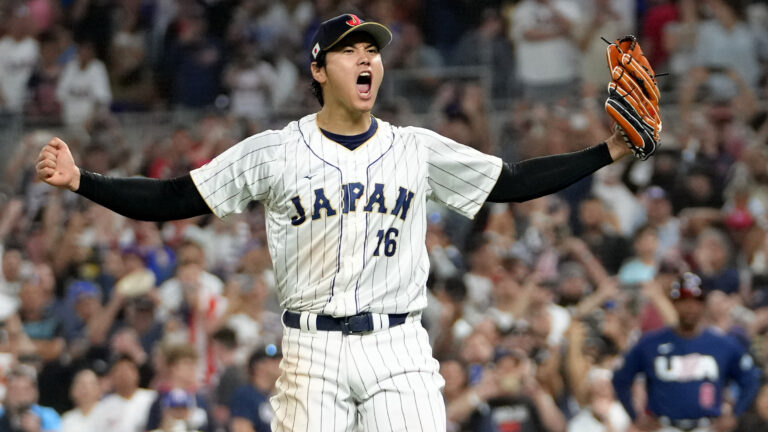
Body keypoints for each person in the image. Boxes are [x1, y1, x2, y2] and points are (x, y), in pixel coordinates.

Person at [37, 13, 637, 431]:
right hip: (311, 348)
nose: (366, 58)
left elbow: (510, 181)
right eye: (350, 50)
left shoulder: (414, 147)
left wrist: (608, 150)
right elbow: (174, 197)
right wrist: (83, 180)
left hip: (398, 345)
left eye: (372, 50)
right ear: (319, 70)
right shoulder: (276, 151)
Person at [612, 272, 761, 432]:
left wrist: (735, 414)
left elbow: (750, 378)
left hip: (707, 426)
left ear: (703, 304)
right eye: (684, 300)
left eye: (696, 300)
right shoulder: (650, 343)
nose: (690, 307)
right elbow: (620, 378)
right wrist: (635, 416)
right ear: (674, 303)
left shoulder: (722, 344)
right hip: (665, 426)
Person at [229, 344, 282, 432]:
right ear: (258, 366)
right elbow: (241, 428)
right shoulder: (245, 394)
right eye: (274, 360)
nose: (280, 363)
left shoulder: (275, 395)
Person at [0, 364, 61, 432]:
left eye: (25, 389)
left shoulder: (48, 416)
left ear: (35, 392)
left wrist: (37, 430)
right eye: (14, 389)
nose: (19, 394)